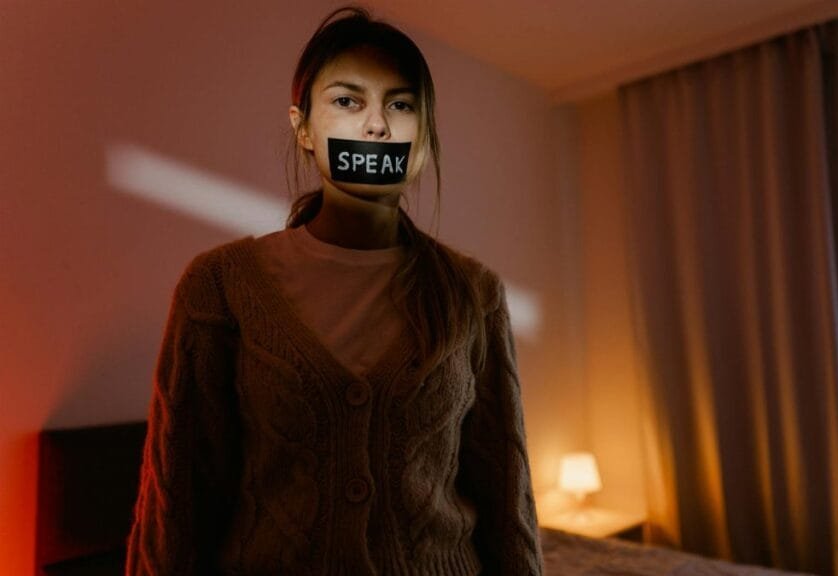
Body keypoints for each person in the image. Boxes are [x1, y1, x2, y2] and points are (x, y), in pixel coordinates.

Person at [125, 6, 543, 575]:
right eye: (348, 101)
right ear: (303, 128)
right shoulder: (220, 286)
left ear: (423, 138)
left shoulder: (476, 294)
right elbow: (177, 507)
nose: (377, 126)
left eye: (401, 105)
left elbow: (507, 502)